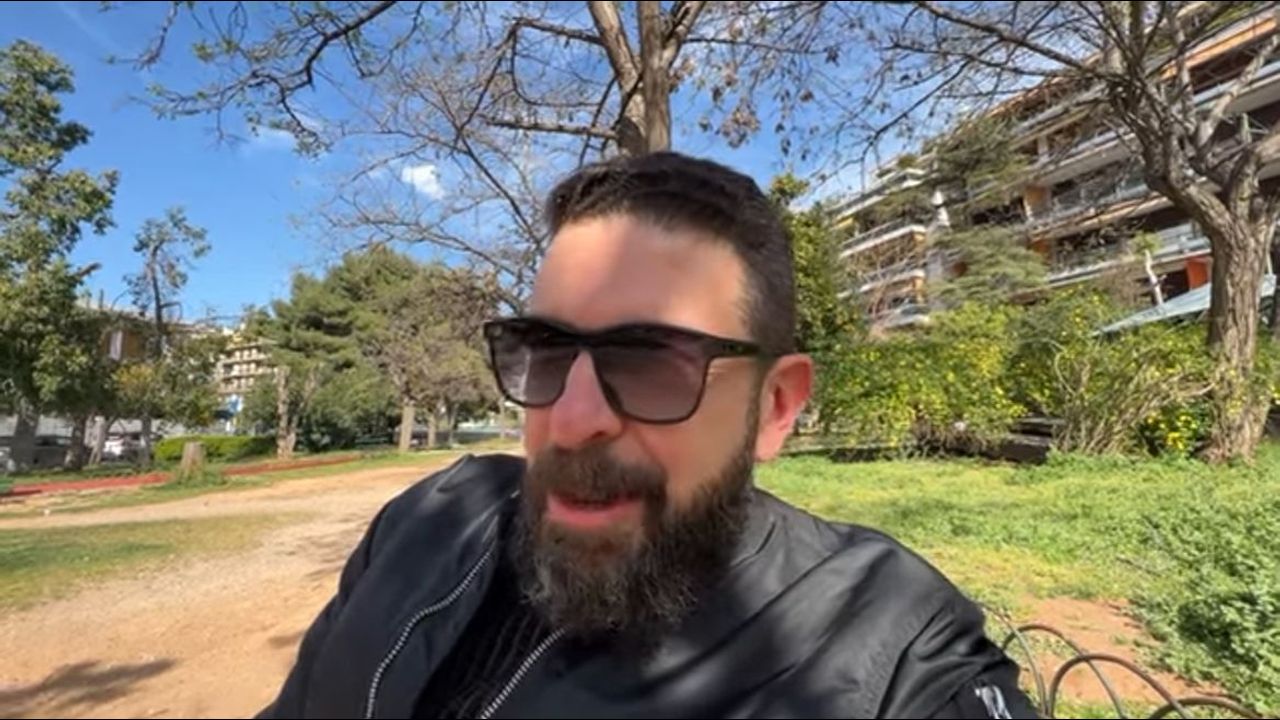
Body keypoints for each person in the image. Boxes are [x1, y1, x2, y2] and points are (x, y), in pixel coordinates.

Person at [257, 152, 1037, 719]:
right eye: (546, 352)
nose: (571, 420)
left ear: (774, 407)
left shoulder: (893, 649)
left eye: (654, 363)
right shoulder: (428, 520)